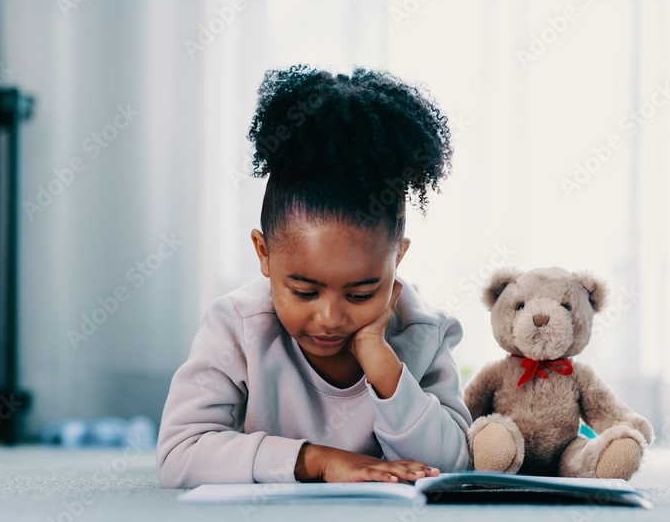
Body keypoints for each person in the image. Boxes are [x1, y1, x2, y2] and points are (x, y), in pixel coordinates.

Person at [157, 64, 471, 489]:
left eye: (361, 293)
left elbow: (455, 464)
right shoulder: (237, 326)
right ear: (264, 255)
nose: (329, 316)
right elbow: (180, 454)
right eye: (304, 291)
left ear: (397, 259)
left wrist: (382, 364)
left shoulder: (425, 333)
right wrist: (317, 461)